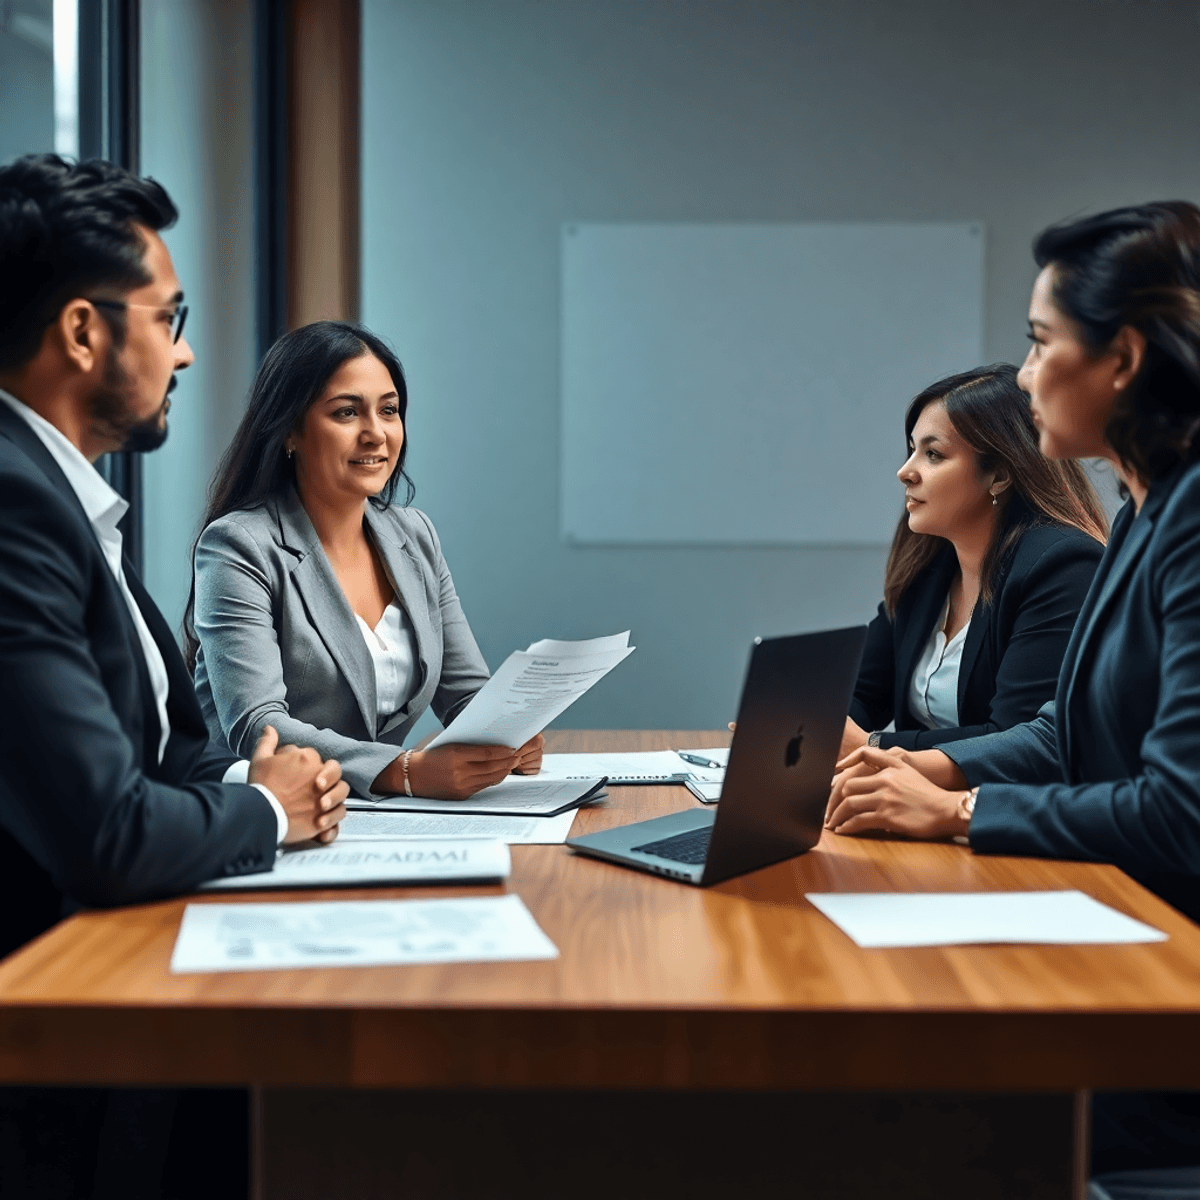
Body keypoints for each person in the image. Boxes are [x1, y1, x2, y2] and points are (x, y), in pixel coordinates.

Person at [826, 201, 1200, 1182]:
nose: (1025, 373)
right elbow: (1067, 736)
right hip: (1127, 935)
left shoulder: (1187, 524)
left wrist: (963, 812)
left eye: (1040, 344)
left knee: (892, 1097)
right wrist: (925, 780)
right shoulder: (1145, 509)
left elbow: (1183, 812)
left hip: (1166, 1000)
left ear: (1120, 359)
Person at [0, 154, 348, 1195]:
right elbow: (106, 834)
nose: (188, 352)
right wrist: (272, 811)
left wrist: (256, 786)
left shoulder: (60, 501)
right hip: (61, 1031)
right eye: (170, 315)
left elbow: (171, 745)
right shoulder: (17, 511)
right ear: (81, 331)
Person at [187, 320, 543, 801]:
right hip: (257, 817)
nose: (376, 434)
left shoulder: (415, 535)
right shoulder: (238, 545)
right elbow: (258, 728)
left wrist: (505, 735)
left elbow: (466, 696)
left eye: (389, 411)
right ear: (291, 430)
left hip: (378, 819)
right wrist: (406, 771)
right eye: (347, 413)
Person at [843, 363, 1106, 759]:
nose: (905, 472)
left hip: (1000, 812)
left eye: (933, 454)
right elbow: (863, 692)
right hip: (912, 808)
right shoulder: (927, 565)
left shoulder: (1061, 565)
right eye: (912, 449)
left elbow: (1016, 739)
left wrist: (874, 746)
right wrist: (805, 730)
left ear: (998, 475)